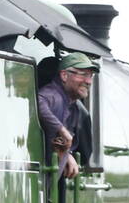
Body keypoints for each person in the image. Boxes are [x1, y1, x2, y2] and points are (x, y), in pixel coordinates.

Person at [37, 51, 97, 180]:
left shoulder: (72, 105)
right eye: (83, 75)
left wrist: (67, 154)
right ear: (64, 75)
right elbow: (38, 101)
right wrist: (62, 130)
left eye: (90, 76)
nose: (88, 81)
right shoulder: (52, 96)